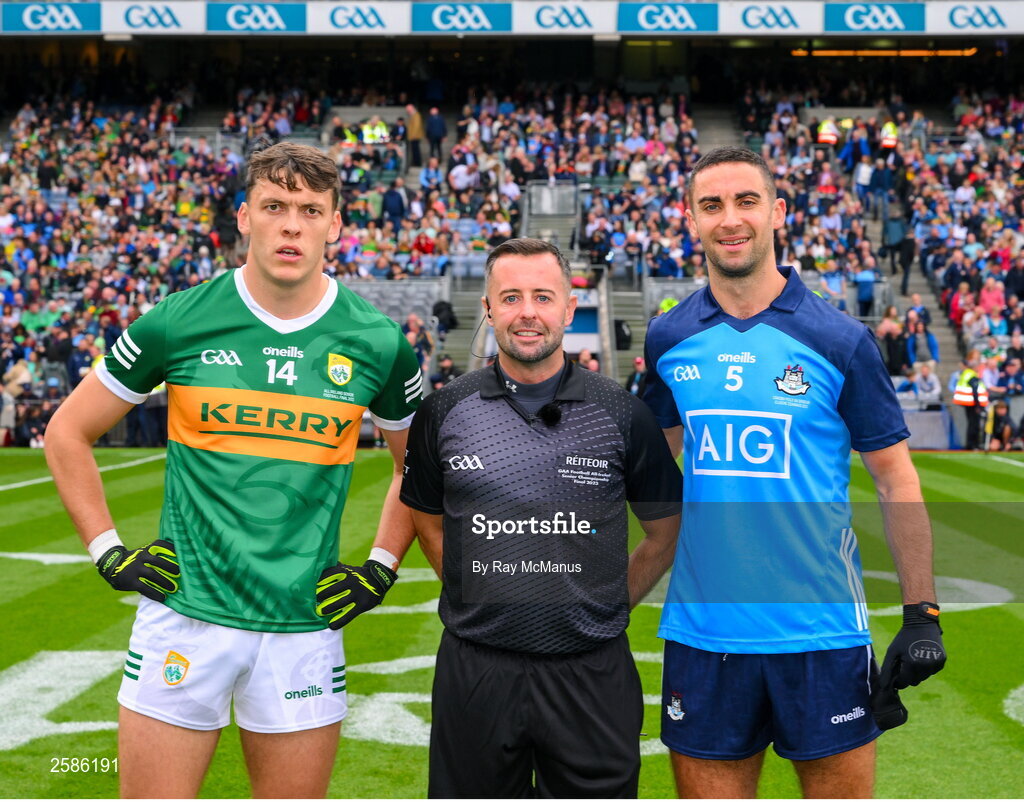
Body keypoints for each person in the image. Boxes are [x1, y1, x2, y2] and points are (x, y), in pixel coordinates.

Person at [44, 143, 424, 798]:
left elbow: (415, 470)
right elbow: (67, 432)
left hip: (304, 626)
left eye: (310, 209)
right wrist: (108, 553)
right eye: (275, 206)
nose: (291, 225)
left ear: (335, 225)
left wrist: (381, 569)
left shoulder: (378, 342)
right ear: (244, 216)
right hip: (184, 617)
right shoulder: (178, 319)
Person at [642, 148, 946, 798]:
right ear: (690, 220)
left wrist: (921, 611)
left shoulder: (840, 340)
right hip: (704, 636)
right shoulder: (668, 339)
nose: (731, 219)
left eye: (746, 201)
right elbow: (642, 470)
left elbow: (897, 480)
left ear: (778, 212)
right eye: (712, 205)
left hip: (821, 633)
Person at [400, 238, 682, 798]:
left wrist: (605, 603)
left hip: (591, 671)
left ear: (568, 309)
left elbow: (664, 531)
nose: (527, 311)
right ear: (487, 308)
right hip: (476, 670)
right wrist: (473, 592)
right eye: (510, 297)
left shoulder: (623, 413)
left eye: (542, 296)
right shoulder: (443, 409)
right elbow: (427, 521)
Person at [953, 349, 988, 450]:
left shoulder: (966, 373)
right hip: (971, 403)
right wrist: (978, 405)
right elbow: (975, 390)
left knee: (972, 424)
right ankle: (972, 444)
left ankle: (971, 444)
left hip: (967, 402)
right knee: (974, 424)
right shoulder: (972, 375)